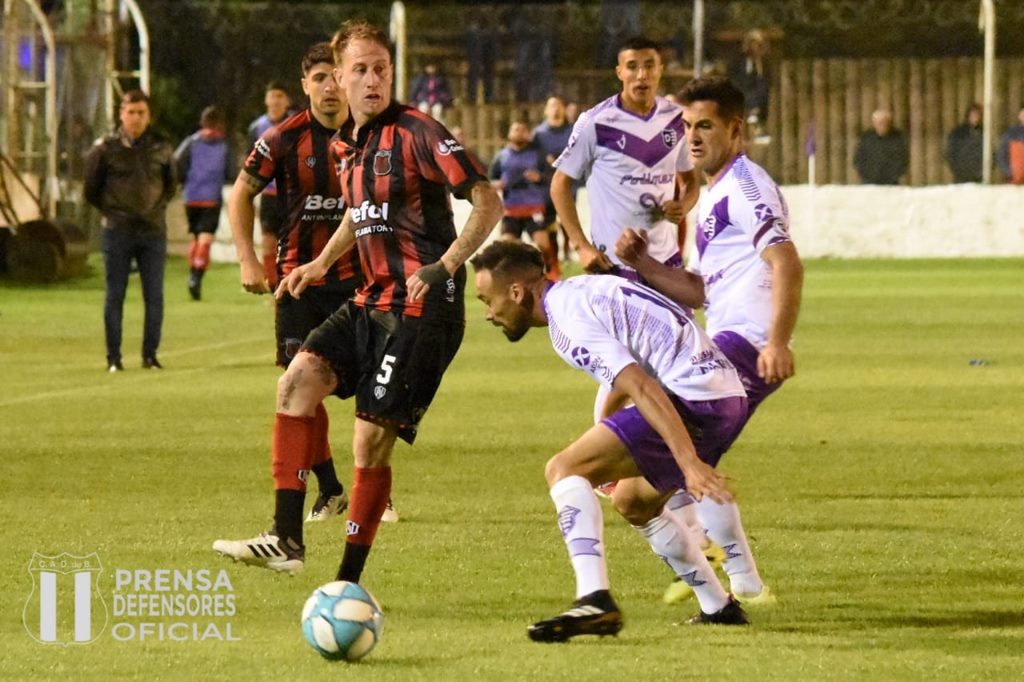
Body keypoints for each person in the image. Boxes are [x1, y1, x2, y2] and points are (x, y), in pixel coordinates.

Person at [215, 21, 502, 580]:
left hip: (422, 307)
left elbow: (486, 199)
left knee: (369, 443)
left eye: (381, 69)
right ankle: (285, 540)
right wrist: (321, 263)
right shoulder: (349, 143)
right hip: (371, 300)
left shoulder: (418, 130)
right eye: (361, 70)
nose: (373, 80)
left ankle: (346, 583)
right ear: (339, 79)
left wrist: (446, 264)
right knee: (295, 385)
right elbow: (360, 211)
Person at [471, 241, 749, 642]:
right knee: (633, 502)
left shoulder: (566, 320)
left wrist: (688, 463)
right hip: (725, 395)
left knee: (563, 469)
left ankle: (594, 598)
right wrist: (608, 433)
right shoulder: (580, 292)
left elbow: (641, 386)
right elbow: (631, 376)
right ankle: (719, 608)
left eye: (487, 300)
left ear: (515, 292)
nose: (487, 313)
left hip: (696, 397)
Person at [616, 75, 803, 607]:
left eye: (704, 126)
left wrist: (777, 341)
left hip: (746, 345)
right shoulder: (715, 194)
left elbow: (787, 262)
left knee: (665, 459)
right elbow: (700, 290)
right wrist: (645, 265)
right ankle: (739, 579)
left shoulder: (747, 187)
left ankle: (725, 571)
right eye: (686, 126)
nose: (692, 137)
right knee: (666, 464)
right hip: (724, 340)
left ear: (735, 130)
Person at [219, 44, 366, 559]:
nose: (330, 87)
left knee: (372, 392)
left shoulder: (370, 135)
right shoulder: (282, 138)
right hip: (298, 287)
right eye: (319, 77)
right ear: (305, 85)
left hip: (360, 282)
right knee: (300, 387)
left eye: (336, 76)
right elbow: (240, 194)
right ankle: (329, 490)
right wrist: (246, 259)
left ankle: (368, 489)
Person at [550, 35, 699, 423]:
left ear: (660, 70)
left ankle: (643, 446)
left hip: (665, 263)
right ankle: (601, 442)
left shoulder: (676, 120)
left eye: (649, 66)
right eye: (632, 67)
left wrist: (683, 204)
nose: (641, 75)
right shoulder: (596, 122)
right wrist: (581, 246)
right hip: (616, 266)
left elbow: (690, 180)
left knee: (677, 358)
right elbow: (560, 185)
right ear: (619, 72)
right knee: (626, 366)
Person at [84, 89, 175, 373]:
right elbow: (91, 189)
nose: (136, 118)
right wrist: (113, 212)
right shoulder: (105, 148)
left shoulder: (161, 147)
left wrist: (154, 210)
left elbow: (170, 185)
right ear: (121, 114)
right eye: (131, 112)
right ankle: (114, 358)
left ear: (149, 116)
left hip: (153, 230)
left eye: (141, 113)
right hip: (118, 230)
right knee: (115, 294)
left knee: (154, 295)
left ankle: (151, 355)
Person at [173, 105, 234, 300]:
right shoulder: (223, 146)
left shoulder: (191, 142)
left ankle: (193, 270)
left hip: (191, 197)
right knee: (205, 239)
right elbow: (231, 172)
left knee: (196, 237)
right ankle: (196, 275)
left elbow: (177, 163)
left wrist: (185, 182)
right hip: (211, 198)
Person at [490, 120, 558, 279]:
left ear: (528, 134)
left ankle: (552, 274)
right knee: (506, 245)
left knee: (543, 243)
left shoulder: (538, 154)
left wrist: (539, 178)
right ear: (509, 134)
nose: (519, 133)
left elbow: (553, 177)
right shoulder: (501, 156)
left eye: (523, 130)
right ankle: (514, 278)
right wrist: (497, 184)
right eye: (516, 129)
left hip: (534, 208)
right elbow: (490, 180)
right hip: (511, 209)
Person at [246, 81, 293, 288]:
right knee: (267, 240)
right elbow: (249, 163)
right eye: (272, 96)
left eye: (280, 96)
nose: (275, 101)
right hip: (269, 194)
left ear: (287, 101)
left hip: (292, 194)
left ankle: (288, 281)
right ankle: (273, 284)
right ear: (266, 100)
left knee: (291, 242)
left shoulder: (297, 124)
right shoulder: (256, 127)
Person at [531, 96, 575, 263]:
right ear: (546, 111)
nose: (555, 109)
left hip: (568, 182)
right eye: (552, 106)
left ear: (564, 109)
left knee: (567, 218)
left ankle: (567, 248)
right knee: (549, 221)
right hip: (545, 184)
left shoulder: (573, 131)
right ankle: (553, 257)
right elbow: (533, 157)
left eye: (559, 105)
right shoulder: (539, 134)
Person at [728, 29, 771, 145]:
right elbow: (733, 76)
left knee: (762, 88)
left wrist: (759, 63)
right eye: (754, 43)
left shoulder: (764, 62)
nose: (756, 47)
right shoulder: (739, 60)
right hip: (741, 90)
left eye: (759, 44)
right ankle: (754, 114)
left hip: (755, 94)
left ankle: (755, 113)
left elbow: (764, 81)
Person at [853, 109, 908, 185]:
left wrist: (892, 176)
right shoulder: (866, 137)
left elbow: (902, 160)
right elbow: (859, 159)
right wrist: (866, 176)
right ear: (874, 123)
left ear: (889, 123)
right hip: (868, 182)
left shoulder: (898, 138)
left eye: (883, 122)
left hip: (891, 183)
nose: (881, 125)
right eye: (878, 123)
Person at [945, 103, 983, 183]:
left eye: (977, 115)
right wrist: (958, 170)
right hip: (961, 176)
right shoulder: (958, 133)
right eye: (973, 115)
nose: (975, 118)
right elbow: (950, 153)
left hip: (979, 176)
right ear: (968, 116)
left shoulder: (983, 133)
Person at [996, 105, 1024, 184]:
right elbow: (1001, 155)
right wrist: (1011, 172)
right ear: (1019, 115)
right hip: (1015, 181)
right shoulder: (1011, 134)